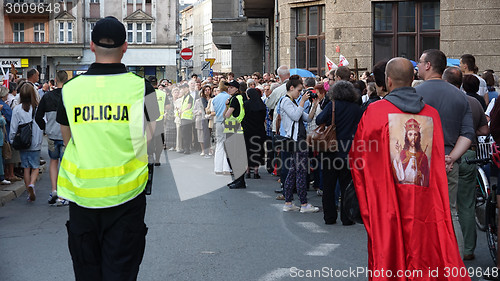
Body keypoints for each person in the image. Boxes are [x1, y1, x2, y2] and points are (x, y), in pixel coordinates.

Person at [55, 16, 159, 281]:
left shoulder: (70, 89)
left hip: (82, 197)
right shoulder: (142, 87)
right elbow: (153, 140)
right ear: (125, 47)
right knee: (121, 272)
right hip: (127, 197)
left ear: (92, 46)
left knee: (87, 273)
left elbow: (68, 141)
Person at [351, 57, 469, 281]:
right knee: (424, 250)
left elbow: (359, 158)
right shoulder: (431, 115)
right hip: (424, 200)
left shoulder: (375, 113)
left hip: (389, 199)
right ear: (412, 78)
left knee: (390, 249)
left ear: (388, 81)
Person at [415, 49, 475, 258]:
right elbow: (468, 133)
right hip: (449, 163)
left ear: (429, 65)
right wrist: (451, 157)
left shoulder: (416, 93)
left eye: (421, 62)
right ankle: (453, 260)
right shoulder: (460, 95)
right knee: (450, 214)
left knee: (420, 214)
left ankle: (426, 259)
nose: (418, 66)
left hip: (420, 163)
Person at [443, 66, 489, 261]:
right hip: (469, 155)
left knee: (449, 207)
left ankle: (451, 249)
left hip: (447, 155)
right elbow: (485, 130)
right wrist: (469, 136)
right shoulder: (473, 101)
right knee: (467, 205)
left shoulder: (445, 101)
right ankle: (468, 249)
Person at [316, 80, 362, 224]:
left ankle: (329, 217)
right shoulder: (357, 109)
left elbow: (319, 120)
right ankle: (347, 218)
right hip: (349, 152)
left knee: (329, 186)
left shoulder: (332, 106)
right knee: (346, 186)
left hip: (331, 151)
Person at [279, 75, 319, 213]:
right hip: (296, 141)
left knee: (293, 171)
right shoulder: (286, 101)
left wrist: (314, 105)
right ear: (291, 88)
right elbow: (295, 116)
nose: (301, 93)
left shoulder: (294, 102)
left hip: (299, 140)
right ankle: (304, 204)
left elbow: (307, 118)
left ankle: (288, 202)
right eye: (299, 90)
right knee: (301, 172)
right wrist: (302, 101)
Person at [35, 70, 69, 206]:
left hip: (52, 135)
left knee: (53, 162)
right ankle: (63, 195)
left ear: (55, 79)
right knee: (65, 164)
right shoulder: (69, 95)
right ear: (66, 80)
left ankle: (54, 190)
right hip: (66, 136)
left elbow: (38, 116)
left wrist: (45, 128)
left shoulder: (47, 97)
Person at [10, 83, 43, 202]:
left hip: (23, 142)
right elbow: (42, 124)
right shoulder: (37, 108)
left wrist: (12, 140)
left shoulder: (17, 109)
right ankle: (32, 184)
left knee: (25, 167)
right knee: (35, 167)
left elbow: (14, 127)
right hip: (35, 142)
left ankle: (28, 190)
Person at [223, 80, 247, 189]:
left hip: (233, 130)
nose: (229, 89)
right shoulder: (240, 97)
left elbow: (226, 115)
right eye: (228, 87)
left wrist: (226, 106)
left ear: (237, 89)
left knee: (234, 157)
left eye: (231, 87)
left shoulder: (234, 99)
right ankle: (238, 180)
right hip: (237, 129)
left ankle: (239, 181)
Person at [392, 118, 430, 186]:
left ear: (418, 136)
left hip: (418, 190)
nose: (413, 137)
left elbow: (427, 178)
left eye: (415, 134)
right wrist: (398, 153)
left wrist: (421, 176)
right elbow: (398, 176)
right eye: (410, 134)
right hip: (404, 188)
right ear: (406, 136)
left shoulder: (423, 156)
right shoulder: (402, 153)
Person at [242, 88, 266, 179]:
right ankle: (256, 171)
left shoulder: (246, 104)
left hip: (247, 130)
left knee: (247, 150)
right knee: (257, 150)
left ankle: (247, 171)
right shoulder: (262, 105)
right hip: (259, 130)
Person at [212, 81, 231, 174]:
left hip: (218, 121)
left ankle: (218, 168)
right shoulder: (229, 97)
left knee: (219, 144)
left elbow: (213, 110)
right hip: (228, 121)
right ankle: (226, 168)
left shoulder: (215, 99)